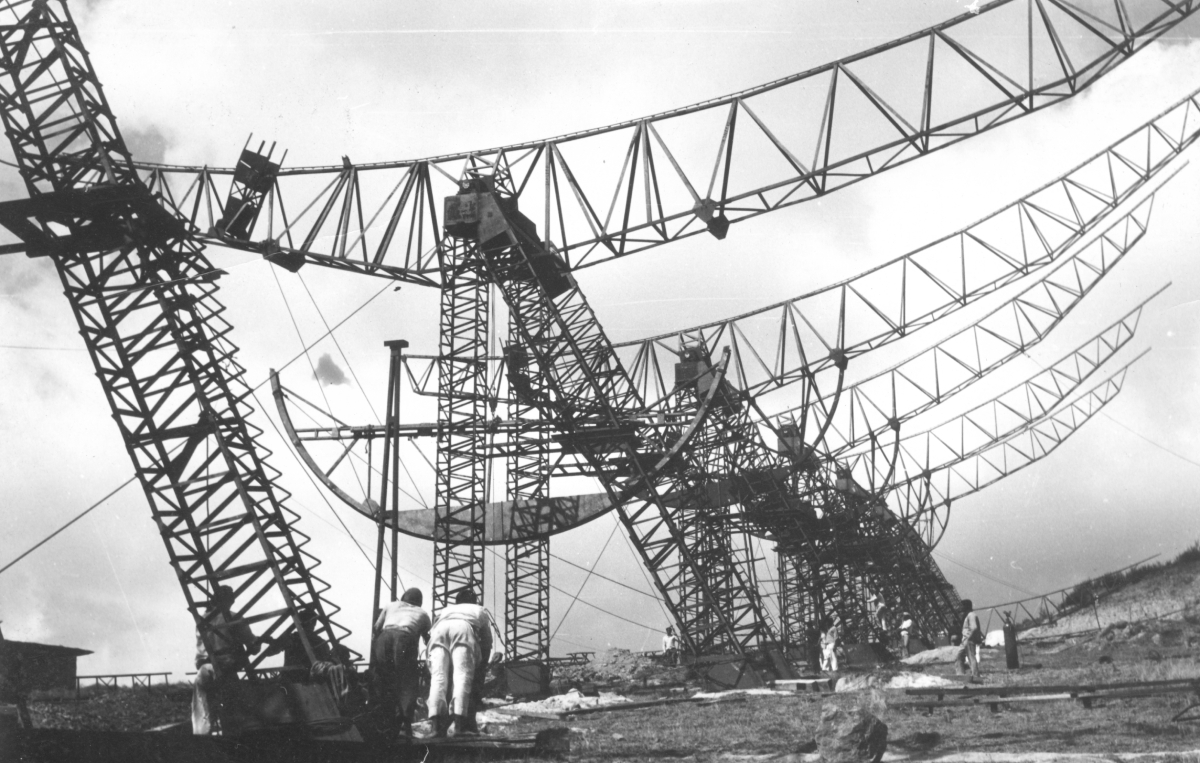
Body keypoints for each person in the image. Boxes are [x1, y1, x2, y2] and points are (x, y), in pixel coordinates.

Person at [426, 589, 497, 738]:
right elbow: (487, 643)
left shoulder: (446, 610)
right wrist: (481, 665)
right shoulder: (480, 610)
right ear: (475, 601)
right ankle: (459, 727)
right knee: (462, 677)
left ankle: (435, 728)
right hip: (462, 630)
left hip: (439, 631)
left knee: (438, 679)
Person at [192, 586, 258, 735]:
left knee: (203, 716)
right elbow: (252, 644)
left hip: (203, 670)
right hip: (226, 670)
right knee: (231, 716)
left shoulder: (202, 620)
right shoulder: (234, 618)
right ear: (230, 600)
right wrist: (256, 644)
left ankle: (202, 744)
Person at [372, 588, 431, 741]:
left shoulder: (391, 605)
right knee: (407, 684)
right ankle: (405, 726)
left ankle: (384, 723)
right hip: (405, 639)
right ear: (420, 601)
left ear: (403, 597)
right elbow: (428, 639)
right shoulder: (423, 613)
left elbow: (376, 629)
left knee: (384, 681)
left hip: (384, 638)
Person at [957, 599, 983, 679]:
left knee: (971, 657)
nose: (960, 608)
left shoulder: (971, 615)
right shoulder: (968, 615)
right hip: (966, 640)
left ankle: (975, 675)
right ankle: (960, 675)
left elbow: (974, 627)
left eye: (962, 606)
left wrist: (968, 638)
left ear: (966, 606)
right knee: (958, 656)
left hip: (968, 640)